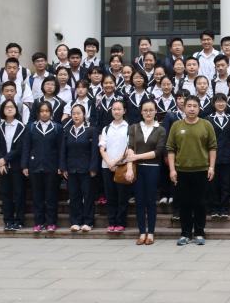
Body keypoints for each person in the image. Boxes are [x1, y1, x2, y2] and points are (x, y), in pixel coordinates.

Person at [168, 97, 219, 246]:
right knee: (184, 203)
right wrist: (172, 170)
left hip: (201, 170)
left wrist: (211, 167)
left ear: (199, 108)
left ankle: (199, 232)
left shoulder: (206, 124)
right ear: (184, 108)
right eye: (189, 106)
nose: (191, 109)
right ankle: (185, 233)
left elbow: (212, 147)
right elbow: (170, 149)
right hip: (181, 171)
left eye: (195, 106)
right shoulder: (176, 125)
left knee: (200, 203)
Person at [125, 99, 167, 245]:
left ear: (156, 112)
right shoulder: (134, 127)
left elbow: (158, 151)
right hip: (137, 168)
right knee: (139, 201)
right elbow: (130, 148)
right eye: (145, 110)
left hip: (153, 168)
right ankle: (142, 232)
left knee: (150, 201)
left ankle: (151, 233)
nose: (148, 113)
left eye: (151, 110)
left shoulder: (160, 129)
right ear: (141, 112)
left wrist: (137, 157)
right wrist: (129, 168)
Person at [22, 101, 62, 233]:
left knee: (51, 196)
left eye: (47, 111)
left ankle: (51, 222)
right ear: (38, 113)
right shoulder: (31, 127)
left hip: (52, 166)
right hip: (35, 166)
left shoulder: (57, 127)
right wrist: (25, 165)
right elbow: (26, 147)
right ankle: (38, 222)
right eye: (42, 111)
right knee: (37, 196)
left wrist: (61, 165)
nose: (44, 113)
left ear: (51, 113)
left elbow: (61, 148)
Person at [59, 104, 98, 232]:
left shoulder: (91, 130)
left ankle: (88, 222)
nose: (76, 116)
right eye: (74, 113)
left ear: (84, 115)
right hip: (71, 169)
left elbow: (94, 151)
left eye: (78, 113)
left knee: (88, 196)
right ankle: (75, 221)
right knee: (74, 196)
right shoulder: (67, 131)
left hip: (86, 169)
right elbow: (63, 151)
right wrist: (63, 167)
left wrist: (93, 167)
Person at [98, 99, 130, 234]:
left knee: (122, 197)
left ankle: (121, 222)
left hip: (121, 167)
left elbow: (128, 149)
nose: (116, 111)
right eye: (114, 109)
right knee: (110, 196)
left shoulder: (129, 128)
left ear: (124, 111)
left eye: (119, 109)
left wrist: (115, 162)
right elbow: (102, 147)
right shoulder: (106, 128)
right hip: (107, 167)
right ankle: (112, 222)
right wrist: (109, 162)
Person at [0, 99, 25, 231]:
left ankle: (19, 220)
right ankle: (8, 220)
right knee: (6, 194)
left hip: (17, 166)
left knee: (19, 193)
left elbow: (19, 148)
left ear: (16, 110)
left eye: (12, 107)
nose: (9, 109)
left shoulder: (21, 127)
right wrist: (0, 161)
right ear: (3, 111)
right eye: (7, 107)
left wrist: (5, 159)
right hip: (3, 167)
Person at [206, 93, 230, 219]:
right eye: (218, 101)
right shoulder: (208, 119)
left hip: (227, 156)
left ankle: (224, 208)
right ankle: (214, 208)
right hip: (212, 157)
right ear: (214, 104)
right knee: (213, 184)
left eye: (223, 101)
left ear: (226, 103)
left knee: (226, 184)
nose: (221, 104)